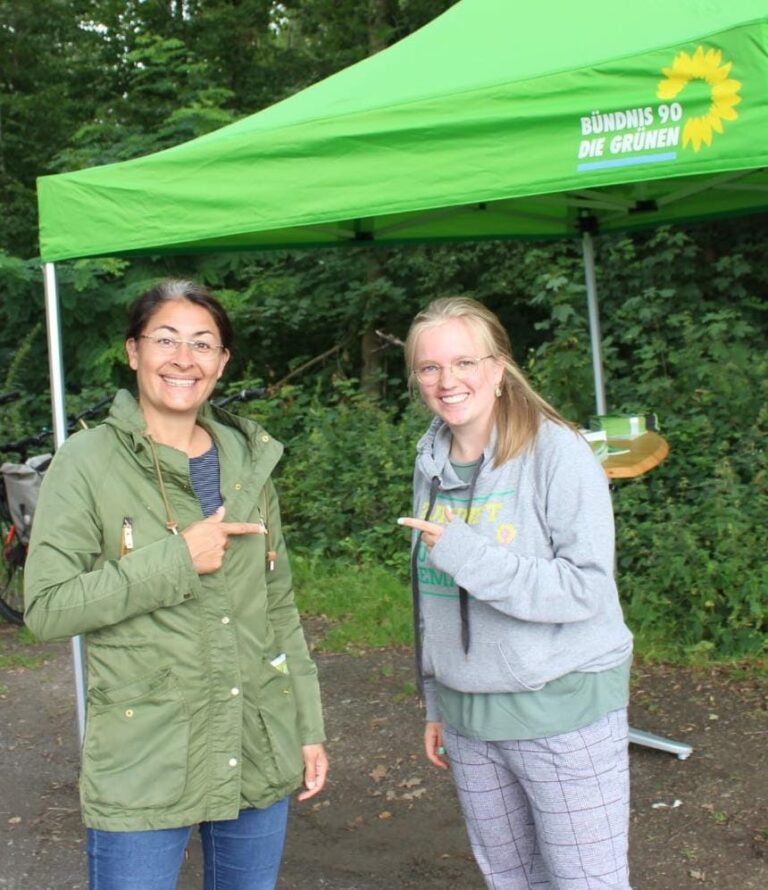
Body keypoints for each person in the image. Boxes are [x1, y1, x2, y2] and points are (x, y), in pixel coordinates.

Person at [24, 279, 327, 890]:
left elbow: (279, 604)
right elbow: (46, 607)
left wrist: (308, 725)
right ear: (133, 352)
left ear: (222, 362)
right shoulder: (86, 462)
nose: (183, 359)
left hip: (256, 736)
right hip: (145, 752)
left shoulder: (249, 460)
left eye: (202, 344)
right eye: (165, 339)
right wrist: (177, 560)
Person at [397, 297, 633, 890]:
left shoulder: (559, 452)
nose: (447, 381)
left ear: (499, 368)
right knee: (511, 879)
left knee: (587, 883)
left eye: (464, 362)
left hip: (563, 711)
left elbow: (585, 588)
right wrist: (435, 698)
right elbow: (433, 598)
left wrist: (467, 553)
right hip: (469, 718)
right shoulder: (430, 461)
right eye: (429, 368)